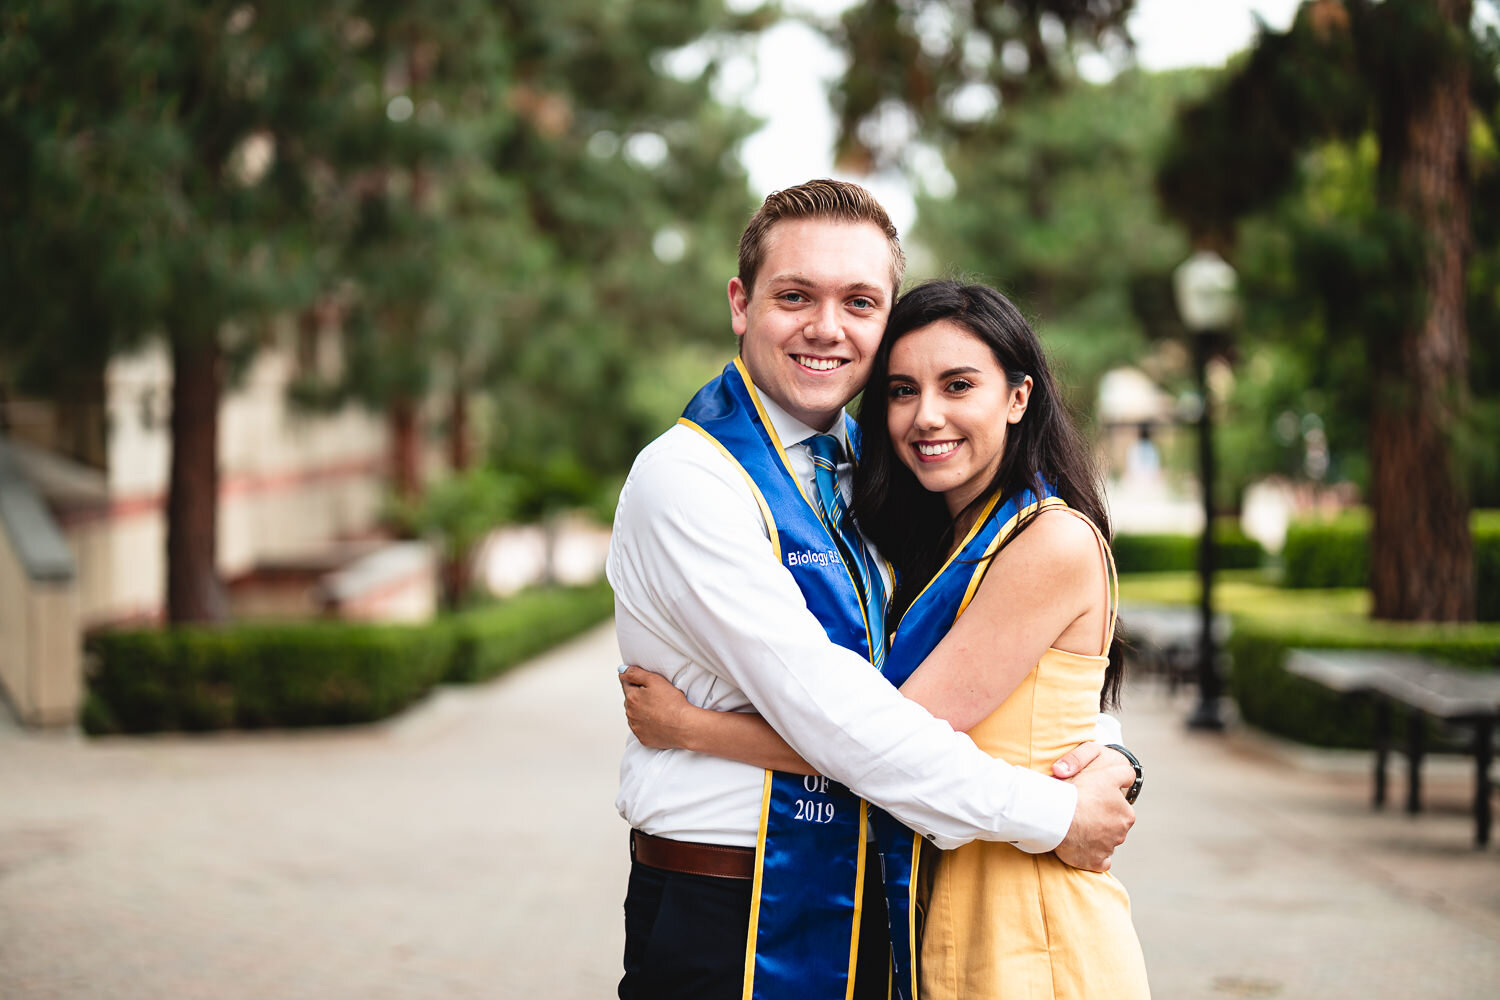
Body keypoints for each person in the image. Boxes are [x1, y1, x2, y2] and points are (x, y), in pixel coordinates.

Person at [607, 179, 1139, 1000]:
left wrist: (1106, 750)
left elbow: (968, 665)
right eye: (795, 296)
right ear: (741, 304)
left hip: (878, 894)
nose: (827, 327)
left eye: (859, 301)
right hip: (732, 904)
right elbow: (840, 721)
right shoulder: (691, 479)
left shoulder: (879, 473)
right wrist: (1060, 814)